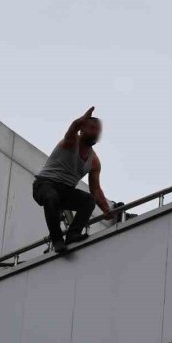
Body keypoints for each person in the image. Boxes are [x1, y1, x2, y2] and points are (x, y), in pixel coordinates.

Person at [33, 106, 112, 253]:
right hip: (44, 185)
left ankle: (73, 234)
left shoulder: (94, 161)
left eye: (98, 130)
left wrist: (106, 209)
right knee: (51, 197)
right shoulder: (70, 141)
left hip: (66, 191)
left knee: (89, 200)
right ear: (82, 128)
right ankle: (57, 240)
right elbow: (72, 129)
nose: (95, 132)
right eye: (92, 127)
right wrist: (80, 121)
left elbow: (95, 189)